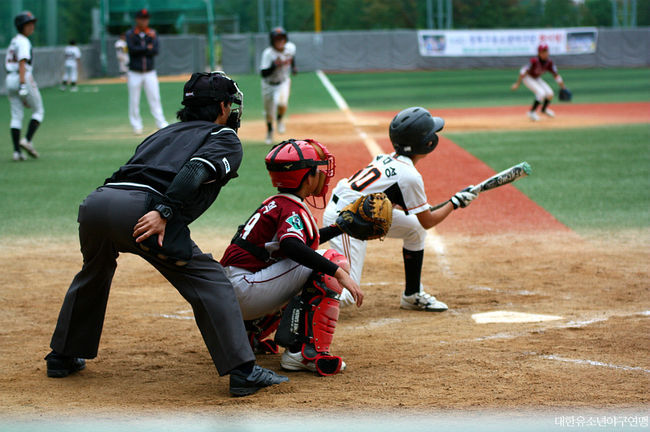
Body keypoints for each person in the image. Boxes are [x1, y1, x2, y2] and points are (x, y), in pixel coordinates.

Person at [44, 71, 288, 397]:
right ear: (221, 107)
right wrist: (165, 212)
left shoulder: (163, 133)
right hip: (144, 210)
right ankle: (243, 372)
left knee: (94, 271)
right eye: (229, 104)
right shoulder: (223, 137)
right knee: (210, 280)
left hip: (97, 205)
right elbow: (195, 170)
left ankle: (62, 356)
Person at [220, 139, 363, 376]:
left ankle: (249, 335)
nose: (322, 175)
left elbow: (296, 245)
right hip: (245, 290)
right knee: (330, 262)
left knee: (307, 264)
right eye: (318, 170)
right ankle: (305, 353)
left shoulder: (277, 203)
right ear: (307, 177)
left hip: (233, 293)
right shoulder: (291, 208)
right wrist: (338, 273)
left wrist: (339, 228)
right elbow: (292, 245)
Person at [322, 107, 479, 311]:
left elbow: (401, 206)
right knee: (347, 295)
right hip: (347, 220)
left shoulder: (388, 158)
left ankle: (412, 295)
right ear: (428, 143)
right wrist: (455, 203)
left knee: (414, 228)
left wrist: (425, 208)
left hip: (358, 212)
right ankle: (291, 294)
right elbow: (428, 221)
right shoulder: (410, 176)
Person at [5, 11, 42, 161]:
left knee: (16, 116)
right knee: (39, 111)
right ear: (21, 26)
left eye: (32, 23)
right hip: (23, 77)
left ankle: (16, 152)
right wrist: (22, 85)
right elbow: (22, 62)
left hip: (9, 78)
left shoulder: (14, 41)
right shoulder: (24, 41)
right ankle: (27, 140)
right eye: (29, 24)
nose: (32, 26)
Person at [125, 8, 168, 135]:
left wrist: (143, 49)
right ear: (137, 20)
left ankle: (160, 122)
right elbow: (132, 50)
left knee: (155, 98)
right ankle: (136, 125)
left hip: (150, 72)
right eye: (142, 19)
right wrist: (146, 48)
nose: (144, 21)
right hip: (134, 72)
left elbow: (155, 50)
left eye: (146, 19)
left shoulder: (152, 33)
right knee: (134, 100)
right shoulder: (130, 34)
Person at [511, 43, 568, 121]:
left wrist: (563, 87)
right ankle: (532, 112)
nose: (545, 53)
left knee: (550, 94)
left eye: (546, 51)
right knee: (541, 93)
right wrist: (517, 84)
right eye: (542, 52)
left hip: (536, 78)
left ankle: (543, 109)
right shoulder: (534, 61)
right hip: (527, 78)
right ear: (539, 53)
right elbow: (523, 71)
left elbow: (556, 75)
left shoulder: (549, 62)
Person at [259, 27, 296, 145]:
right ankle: (270, 130)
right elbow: (263, 73)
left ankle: (279, 119)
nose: (280, 41)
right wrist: (274, 66)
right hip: (268, 84)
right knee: (269, 112)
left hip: (283, 82)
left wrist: (294, 67)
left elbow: (292, 57)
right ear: (272, 41)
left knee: (282, 103)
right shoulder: (268, 54)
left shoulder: (290, 48)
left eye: (282, 38)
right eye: (277, 39)